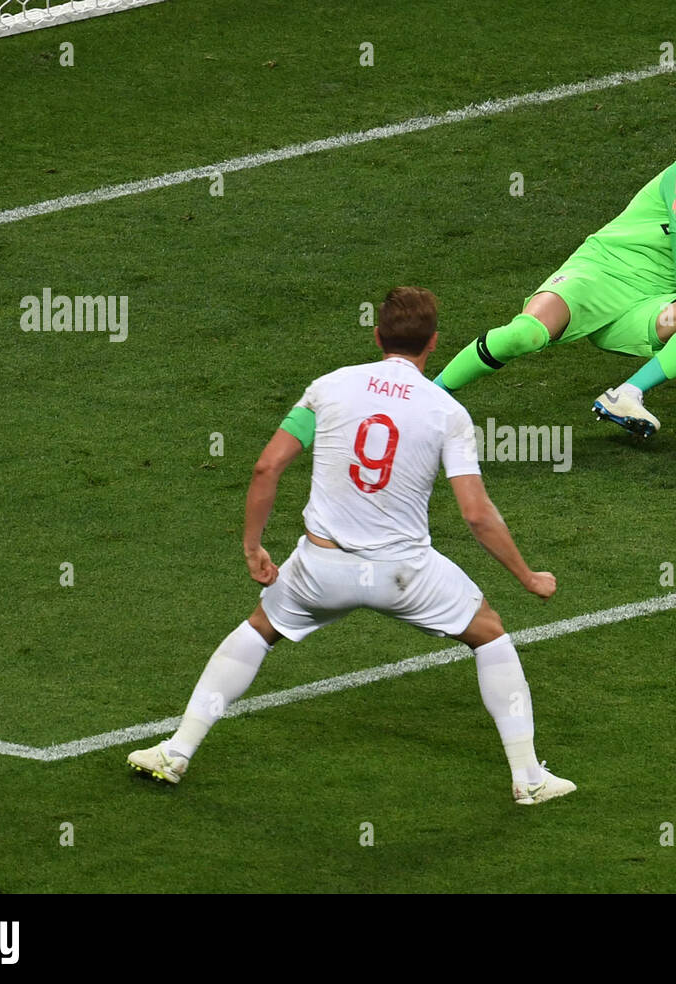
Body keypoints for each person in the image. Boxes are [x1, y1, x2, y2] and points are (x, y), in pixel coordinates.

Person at [127, 287, 575, 806]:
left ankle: (177, 752)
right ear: (433, 343)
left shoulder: (330, 387)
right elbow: (476, 513)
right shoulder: (446, 411)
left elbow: (267, 466)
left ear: (377, 334)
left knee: (259, 631)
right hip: (405, 573)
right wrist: (527, 576)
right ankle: (529, 778)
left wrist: (253, 549)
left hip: (321, 567)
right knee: (490, 635)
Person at [433, 112, 676, 440]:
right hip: (595, 277)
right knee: (526, 334)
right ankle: (429, 395)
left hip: (648, 312)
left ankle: (626, 394)